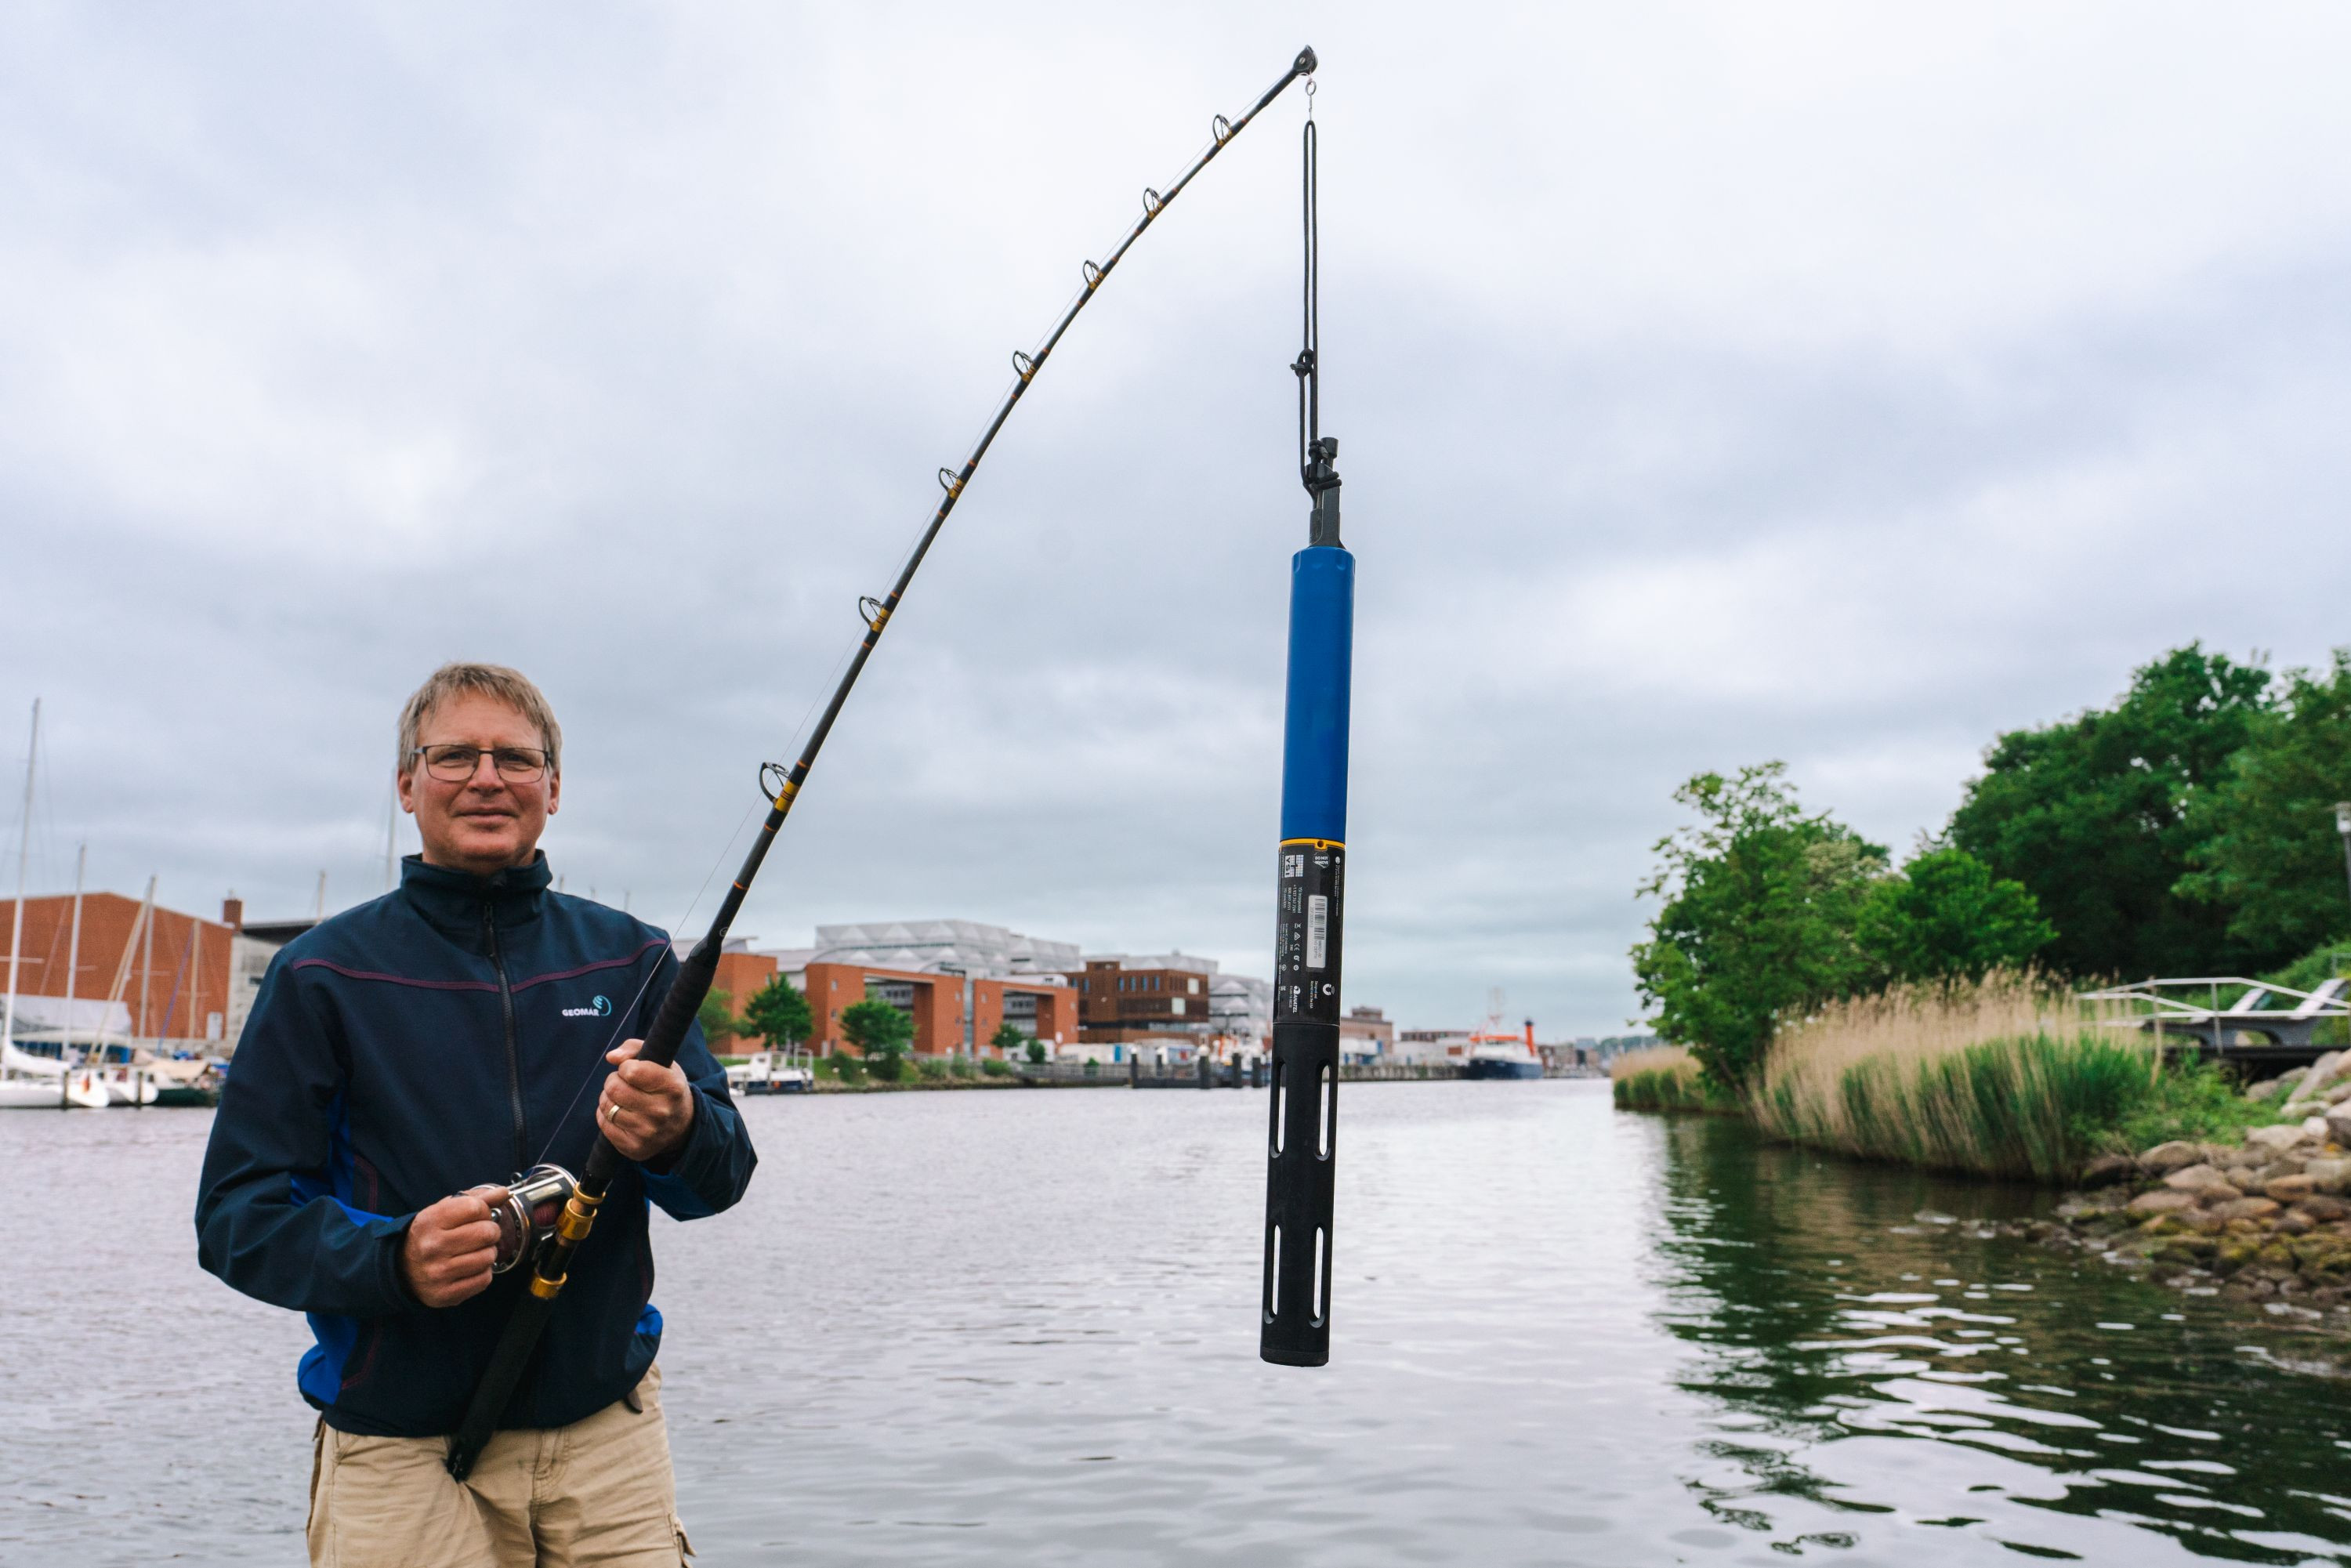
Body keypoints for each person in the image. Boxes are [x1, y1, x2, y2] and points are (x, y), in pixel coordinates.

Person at [196, 662, 756, 1567]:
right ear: (408, 786)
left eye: (516, 758)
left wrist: (684, 1128)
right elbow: (235, 1222)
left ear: (554, 788)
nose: (487, 778)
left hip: (609, 1448)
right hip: (402, 1460)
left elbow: (719, 1183)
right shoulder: (319, 976)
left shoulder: (635, 959)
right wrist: (395, 1259)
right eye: (454, 755)